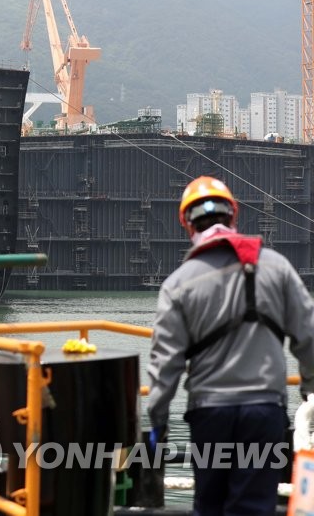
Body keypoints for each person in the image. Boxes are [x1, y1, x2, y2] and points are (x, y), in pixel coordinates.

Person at [148, 176, 314, 515]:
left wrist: (157, 421)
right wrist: (310, 392)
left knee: (209, 506)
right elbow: (308, 335)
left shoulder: (178, 284)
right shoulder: (277, 267)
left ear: (187, 225)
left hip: (210, 414)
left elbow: (166, 364)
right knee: (254, 506)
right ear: (233, 217)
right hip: (265, 412)